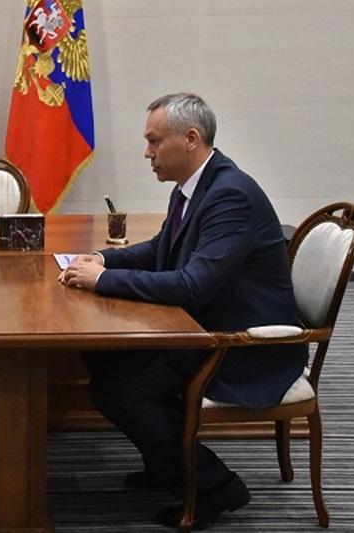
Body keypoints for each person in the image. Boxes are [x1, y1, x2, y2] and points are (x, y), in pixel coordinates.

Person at [59, 93, 308, 529]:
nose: (147, 152)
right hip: (206, 324)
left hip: (241, 342)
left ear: (190, 139)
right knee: (102, 356)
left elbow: (193, 285)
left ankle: (214, 485)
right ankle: (166, 462)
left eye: (154, 141)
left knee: (119, 390)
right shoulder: (195, 187)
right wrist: (103, 259)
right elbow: (163, 249)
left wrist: (103, 281)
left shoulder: (230, 196)